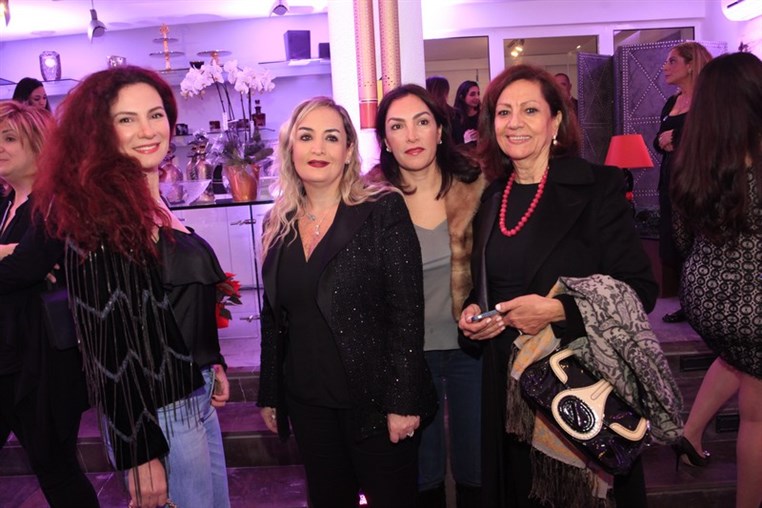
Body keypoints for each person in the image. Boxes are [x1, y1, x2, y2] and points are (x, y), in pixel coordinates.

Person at [457, 64, 661, 508]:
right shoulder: (493, 196)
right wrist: (474, 312)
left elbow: (639, 289)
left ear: (555, 122)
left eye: (530, 110)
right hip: (508, 388)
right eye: (504, 112)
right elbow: (491, 285)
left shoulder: (597, 187)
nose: (515, 123)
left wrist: (557, 311)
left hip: (576, 384)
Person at [30, 65, 231, 508]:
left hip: (191, 391)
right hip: (158, 407)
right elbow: (106, 346)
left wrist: (210, 361)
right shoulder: (96, 214)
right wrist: (138, 452)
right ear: (99, 132)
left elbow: (176, 297)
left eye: (155, 114)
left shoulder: (149, 197)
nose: (147, 130)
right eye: (127, 119)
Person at [257, 96, 437, 508]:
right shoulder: (277, 223)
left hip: (377, 405)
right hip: (308, 405)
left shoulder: (382, 210)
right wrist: (271, 392)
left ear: (348, 150)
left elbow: (408, 313)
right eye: (306, 137)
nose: (318, 148)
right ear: (290, 148)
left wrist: (404, 400)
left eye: (331, 138)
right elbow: (273, 317)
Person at [368, 84, 485, 508]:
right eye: (397, 126)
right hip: (407, 358)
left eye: (422, 122)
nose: (412, 135)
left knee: (477, 467)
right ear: (385, 140)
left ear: (440, 130)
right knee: (422, 474)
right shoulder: (368, 202)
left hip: (472, 349)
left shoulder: (477, 186)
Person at [670, 51, 762, 508]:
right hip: (753, 307)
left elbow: (681, 240)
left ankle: (688, 434)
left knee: (736, 360)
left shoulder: (692, 164)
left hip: (707, 299)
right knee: (757, 418)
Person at [0, 101, 99, 507]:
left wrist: (14, 258)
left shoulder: (55, 203)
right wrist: (7, 252)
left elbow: (24, 268)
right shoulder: (5, 206)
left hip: (41, 364)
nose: (0, 147)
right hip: (9, 357)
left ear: (39, 145)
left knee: (56, 468)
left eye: (9, 138)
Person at [653, 42, 712, 323]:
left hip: (697, 181)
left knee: (696, 241)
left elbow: (710, 137)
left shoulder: (707, 102)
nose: (665, 67)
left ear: (690, 65)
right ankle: (688, 303)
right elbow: (658, 140)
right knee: (675, 242)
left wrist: (675, 139)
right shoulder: (671, 102)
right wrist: (662, 141)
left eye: (672, 61)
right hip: (670, 179)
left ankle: (702, 302)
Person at [452, 80, 481, 146]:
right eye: (472, 94)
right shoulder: (454, 118)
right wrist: (465, 141)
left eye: (478, 94)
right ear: (462, 97)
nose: (477, 97)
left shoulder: (483, 116)